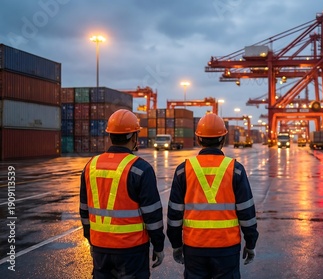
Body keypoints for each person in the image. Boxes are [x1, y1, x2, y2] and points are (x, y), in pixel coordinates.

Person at [167, 113, 259, 278]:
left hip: (194, 246)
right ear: (223, 139)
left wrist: (176, 244)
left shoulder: (183, 169)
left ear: (199, 139)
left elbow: (174, 214)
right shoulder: (235, 169)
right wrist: (250, 243)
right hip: (227, 247)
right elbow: (247, 212)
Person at [79, 109, 165, 278]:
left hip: (100, 248)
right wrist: (158, 245)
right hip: (131, 250)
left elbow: (84, 210)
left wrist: (90, 239)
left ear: (109, 136)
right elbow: (152, 215)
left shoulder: (91, 166)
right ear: (134, 137)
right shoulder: (141, 168)